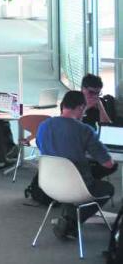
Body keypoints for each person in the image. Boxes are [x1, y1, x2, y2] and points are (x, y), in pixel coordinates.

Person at [36, 90, 117, 239]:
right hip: (76, 186)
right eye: (84, 110)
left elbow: (44, 148)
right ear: (80, 107)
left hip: (49, 184)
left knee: (77, 178)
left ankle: (68, 219)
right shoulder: (84, 130)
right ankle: (71, 221)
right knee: (107, 188)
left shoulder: (43, 126)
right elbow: (107, 163)